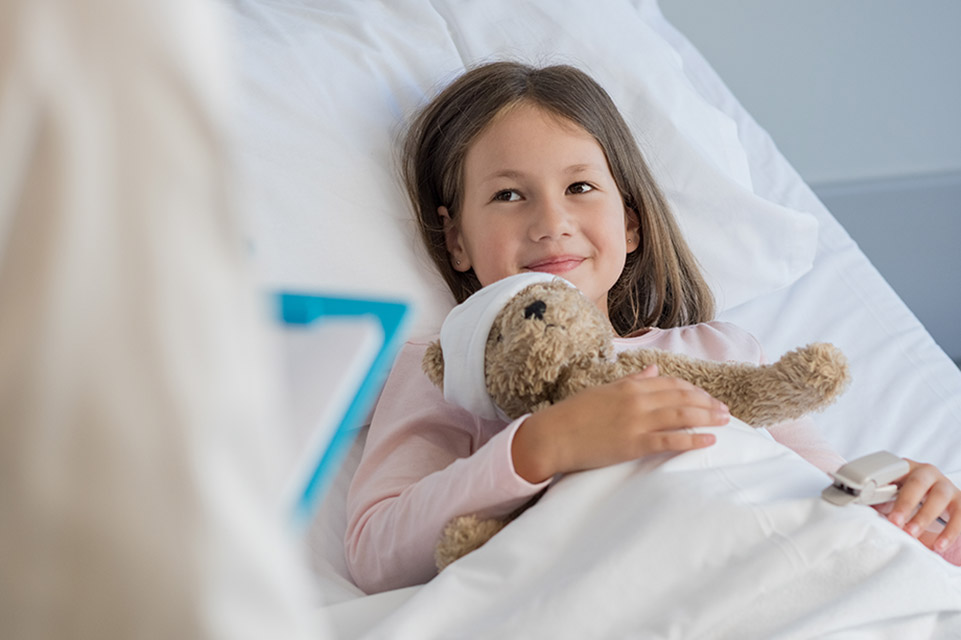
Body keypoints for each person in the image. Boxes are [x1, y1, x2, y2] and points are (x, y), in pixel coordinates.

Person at [344, 61, 961, 594]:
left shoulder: (719, 349)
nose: (552, 221)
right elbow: (376, 551)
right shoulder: (452, 364)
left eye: (580, 187)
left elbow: (821, 495)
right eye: (509, 195)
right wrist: (539, 447)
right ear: (456, 240)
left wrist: (908, 501)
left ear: (631, 225)